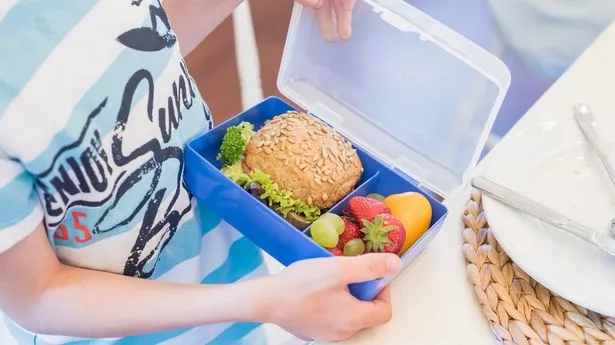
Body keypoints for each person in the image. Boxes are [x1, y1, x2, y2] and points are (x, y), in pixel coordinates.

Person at [0, 1, 401, 344]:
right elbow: (38, 295)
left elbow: (147, 43)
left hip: (237, 288)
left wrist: (261, 300)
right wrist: (264, 301)